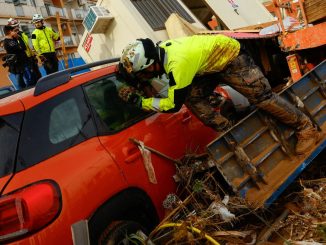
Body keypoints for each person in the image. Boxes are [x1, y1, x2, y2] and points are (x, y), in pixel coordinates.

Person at [118, 36, 322, 154]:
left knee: (262, 97)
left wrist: (142, 101)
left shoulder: (177, 64)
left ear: (150, 65)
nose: (144, 77)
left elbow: (172, 104)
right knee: (193, 97)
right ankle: (229, 129)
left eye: (143, 73)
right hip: (209, 66)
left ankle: (305, 128)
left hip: (231, 57)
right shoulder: (161, 52)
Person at [7, 18, 41, 85]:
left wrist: (33, 55)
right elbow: (20, 48)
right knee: (29, 79)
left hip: (30, 58)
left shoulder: (23, 34)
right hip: (23, 60)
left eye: (17, 26)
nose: (16, 27)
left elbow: (27, 45)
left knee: (37, 76)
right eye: (14, 27)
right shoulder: (12, 38)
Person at [2, 25, 29, 90]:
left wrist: (17, 38)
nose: (16, 32)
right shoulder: (8, 42)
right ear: (10, 31)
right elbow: (22, 48)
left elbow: (23, 48)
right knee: (20, 81)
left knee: (26, 79)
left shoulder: (13, 40)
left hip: (21, 63)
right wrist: (19, 38)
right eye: (14, 31)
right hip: (16, 65)